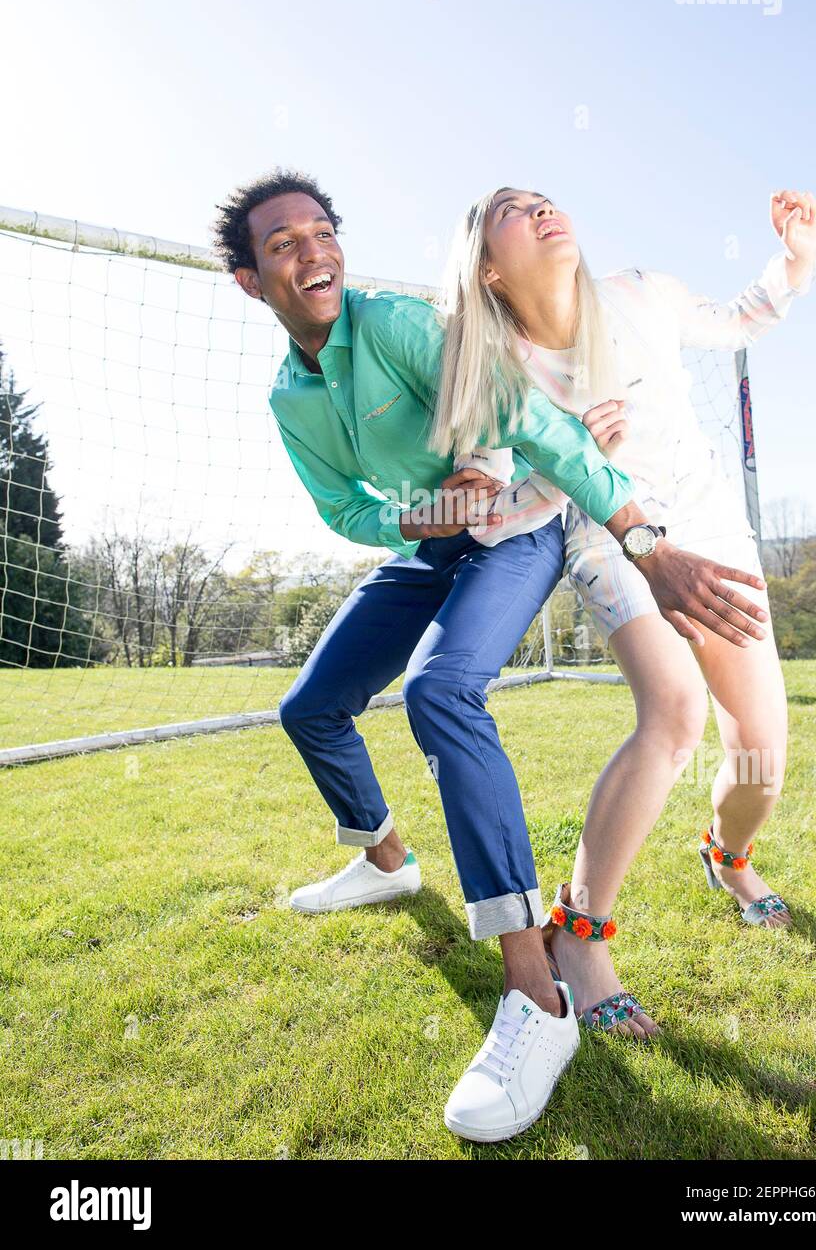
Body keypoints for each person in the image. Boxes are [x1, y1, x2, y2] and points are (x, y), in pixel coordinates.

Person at [212, 168, 768, 1141]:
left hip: (515, 532)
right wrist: (425, 511)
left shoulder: (394, 325)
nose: (313, 251)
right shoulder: (288, 399)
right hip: (432, 543)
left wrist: (639, 537)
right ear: (251, 281)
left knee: (439, 691)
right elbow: (345, 505)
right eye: (283, 244)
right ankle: (386, 862)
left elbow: (519, 414)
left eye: (321, 231)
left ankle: (536, 991)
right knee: (310, 706)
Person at [431, 184, 816, 1040]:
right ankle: (580, 933)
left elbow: (743, 316)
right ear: (489, 268)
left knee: (759, 757)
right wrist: (567, 450)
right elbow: (491, 518)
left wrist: (793, 262)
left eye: (543, 198)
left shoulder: (641, 291)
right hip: (608, 539)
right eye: (512, 210)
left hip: (712, 526)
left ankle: (728, 857)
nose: (542, 210)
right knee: (676, 715)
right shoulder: (492, 375)